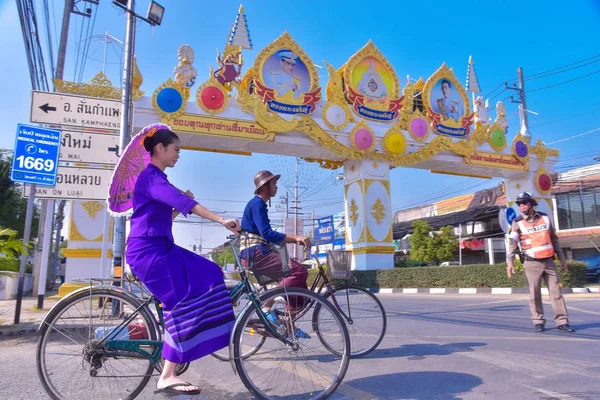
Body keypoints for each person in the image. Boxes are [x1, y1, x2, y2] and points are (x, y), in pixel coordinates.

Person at [125, 127, 240, 396]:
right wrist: (222, 220)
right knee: (182, 299)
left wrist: (176, 206)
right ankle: (167, 375)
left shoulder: (156, 180)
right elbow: (190, 204)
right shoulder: (152, 178)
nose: (178, 154)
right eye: (176, 149)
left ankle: (183, 345)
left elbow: (165, 218)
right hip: (149, 253)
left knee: (211, 271)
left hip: (161, 247)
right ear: (160, 149)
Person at [240, 170, 311, 338]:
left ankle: (290, 325)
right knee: (300, 271)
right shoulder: (256, 204)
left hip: (259, 252)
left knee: (300, 287)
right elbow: (267, 234)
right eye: (273, 183)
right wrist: (296, 238)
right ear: (264, 186)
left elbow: (269, 237)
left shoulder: (259, 205)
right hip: (256, 253)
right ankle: (267, 305)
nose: (276, 187)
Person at [506, 192, 575, 333]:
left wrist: (562, 259)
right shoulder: (517, 222)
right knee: (534, 294)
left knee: (556, 293)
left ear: (531, 203)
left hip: (549, 262)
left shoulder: (545, 218)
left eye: (524, 203)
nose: (521, 206)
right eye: (519, 204)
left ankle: (562, 322)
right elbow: (512, 243)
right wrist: (510, 262)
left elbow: (554, 240)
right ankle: (538, 321)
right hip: (531, 263)